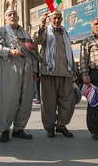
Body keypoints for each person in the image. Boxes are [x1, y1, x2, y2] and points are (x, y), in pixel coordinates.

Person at [0, 7, 37, 143]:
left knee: (25, 100)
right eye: (9, 14)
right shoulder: (1, 31)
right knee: (8, 99)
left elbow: (33, 51)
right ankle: (5, 130)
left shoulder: (25, 32)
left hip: (27, 68)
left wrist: (35, 70)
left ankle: (19, 129)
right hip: (10, 67)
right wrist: (11, 51)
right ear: (5, 18)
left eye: (15, 14)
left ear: (18, 17)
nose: (12, 16)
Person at [34, 10, 76, 138]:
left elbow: (70, 53)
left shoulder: (65, 33)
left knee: (69, 102)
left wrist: (74, 71)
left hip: (65, 72)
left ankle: (61, 125)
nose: (57, 20)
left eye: (59, 18)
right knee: (48, 103)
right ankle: (50, 127)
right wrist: (41, 25)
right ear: (50, 19)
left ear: (62, 19)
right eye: (54, 18)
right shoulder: (46, 31)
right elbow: (37, 40)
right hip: (48, 72)